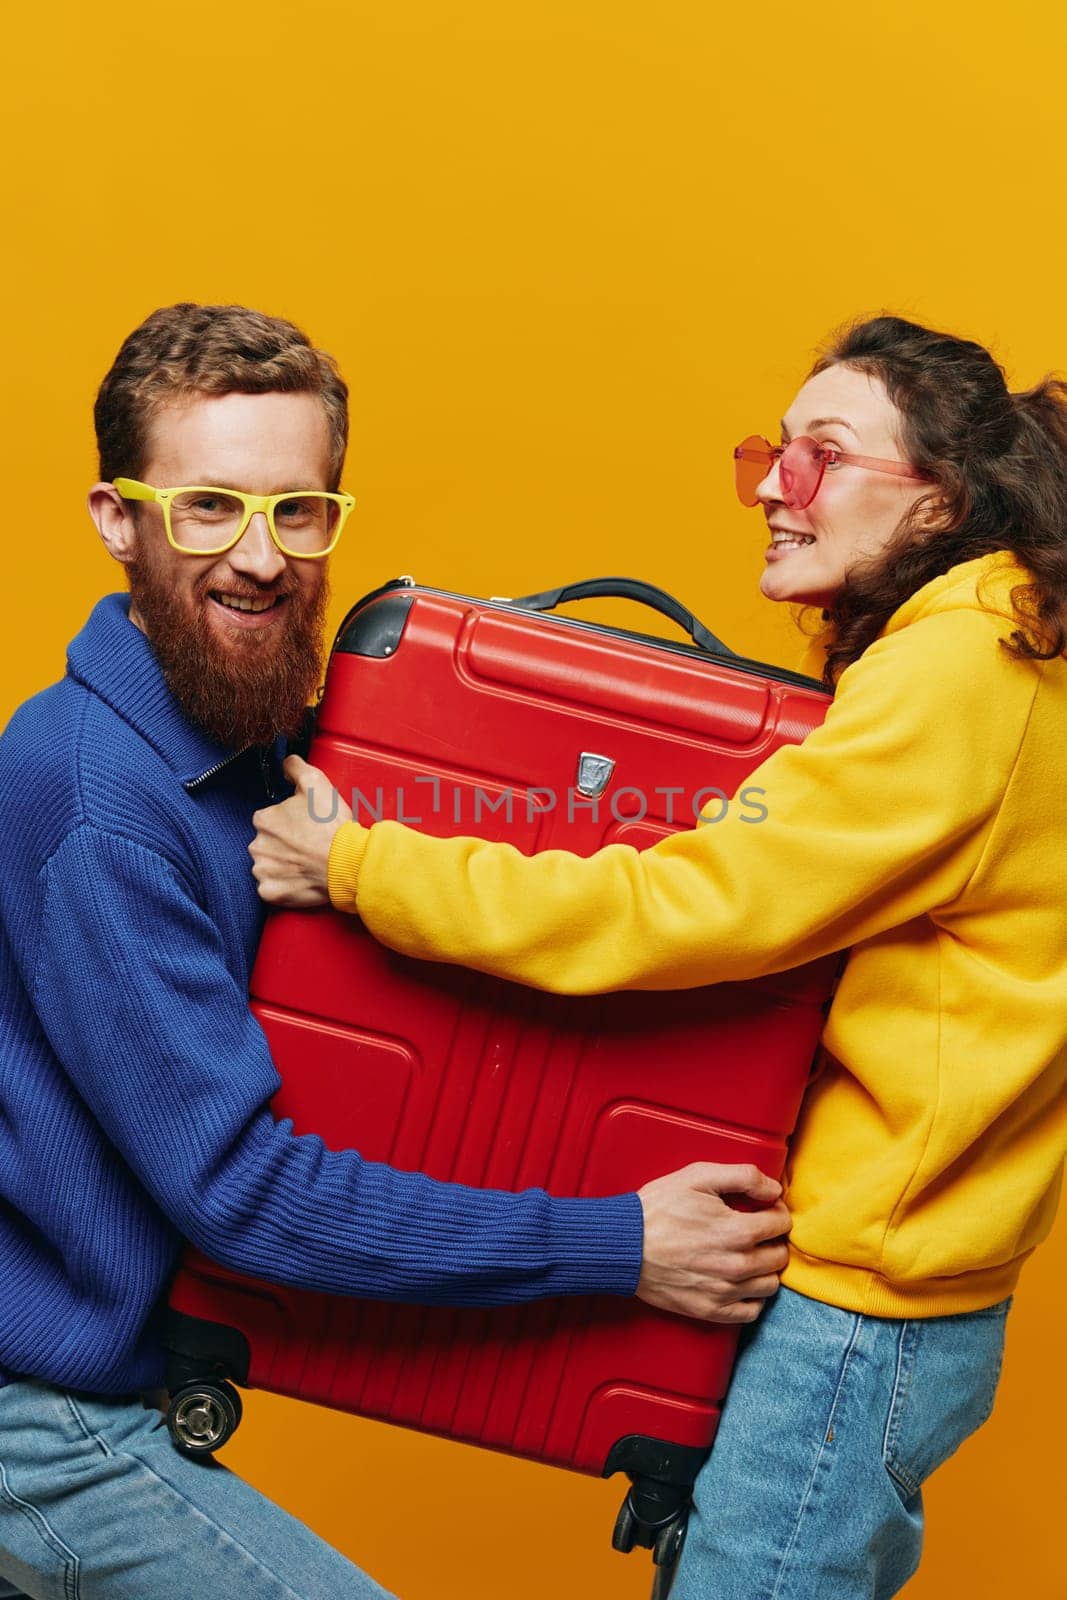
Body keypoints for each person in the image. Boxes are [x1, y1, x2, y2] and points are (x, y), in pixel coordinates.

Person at [251, 313, 1067, 1599]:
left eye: (822, 457)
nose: (773, 491)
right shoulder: (1006, 639)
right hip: (906, 1283)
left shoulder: (964, 665)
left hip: (864, 1308)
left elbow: (690, 906)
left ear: (937, 504)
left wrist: (360, 866)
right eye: (771, 453)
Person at [0, 301, 792, 1600]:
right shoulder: (97, 796)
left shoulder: (259, 742)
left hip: (111, 1380)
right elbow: (238, 1193)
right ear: (115, 517)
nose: (260, 558)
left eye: (298, 511)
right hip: (39, 1414)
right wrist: (620, 1243)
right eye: (208, 507)